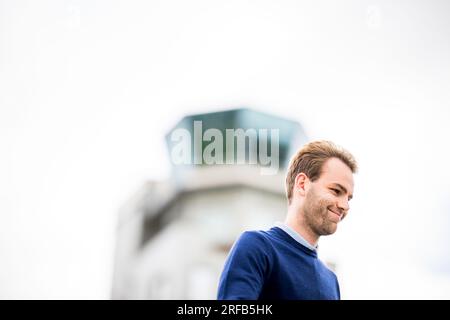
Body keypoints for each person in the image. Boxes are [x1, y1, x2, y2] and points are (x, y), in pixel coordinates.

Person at [217, 140, 357, 300]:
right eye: (336, 190)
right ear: (302, 184)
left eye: (349, 198)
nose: (345, 205)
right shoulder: (257, 247)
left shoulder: (331, 281)